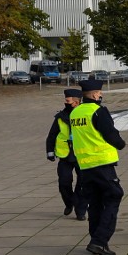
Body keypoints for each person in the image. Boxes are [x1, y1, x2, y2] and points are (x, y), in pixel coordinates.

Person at [69, 79, 126, 255]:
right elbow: (110, 134)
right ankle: (99, 241)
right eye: (100, 93)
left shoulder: (75, 113)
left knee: (94, 204)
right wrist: (121, 143)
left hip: (85, 166)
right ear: (95, 95)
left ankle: (97, 241)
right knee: (113, 196)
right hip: (102, 163)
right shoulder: (98, 111)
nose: (101, 96)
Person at [46, 88, 87, 220]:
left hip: (81, 154)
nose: (65, 103)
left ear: (76, 102)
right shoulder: (60, 117)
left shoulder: (85, 115)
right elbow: (52, 135)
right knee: (64, 182)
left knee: (82, 184)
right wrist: (50, 151)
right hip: (65, 155)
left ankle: (80, 211)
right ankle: (69, 203)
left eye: (67, 100)